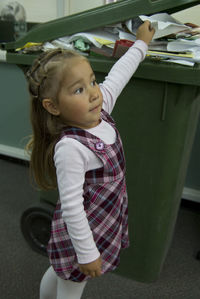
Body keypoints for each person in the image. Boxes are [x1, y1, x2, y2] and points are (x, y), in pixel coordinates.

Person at [26, 21, 154, 299]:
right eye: (78, 90)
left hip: (103, 218)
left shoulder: (100, 110)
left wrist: (141, 44)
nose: (94, 92)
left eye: (92, 81)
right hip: (84, 231)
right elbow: (72, 208)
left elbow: (119, 74)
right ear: (53, 106)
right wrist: (86, 253)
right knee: (73, 282)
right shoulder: (71, 147)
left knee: (60, 272)